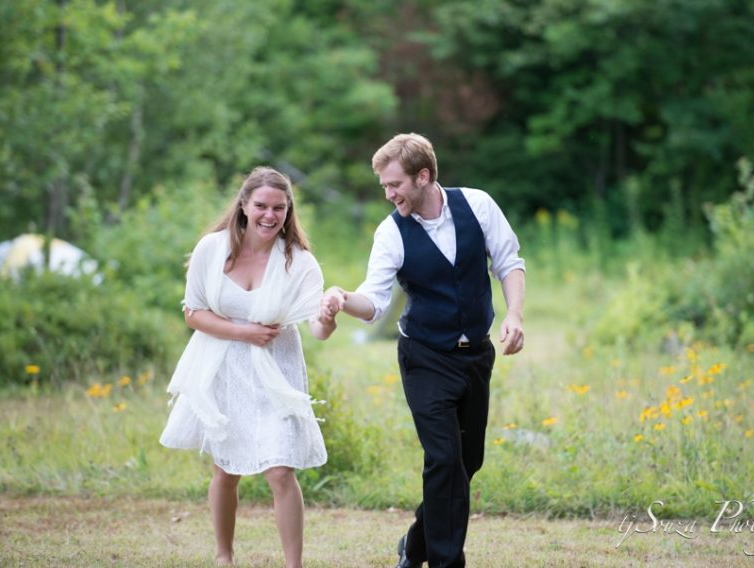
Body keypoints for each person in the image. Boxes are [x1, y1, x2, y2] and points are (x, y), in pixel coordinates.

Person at [321, 133, 525, 568]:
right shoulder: (390, 232)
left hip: (476, 355)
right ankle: (446, 562)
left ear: (424, 176)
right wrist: (341, 298)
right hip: (425, 358)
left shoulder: (478, 205)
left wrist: (515, 315)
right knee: (444, 458)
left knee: (467, 462)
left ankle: (414, 547)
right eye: (384, 186)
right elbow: (373, 303)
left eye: (394, 184)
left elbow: (509, 261)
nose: (389, 193)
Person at [160, 166, 336, 567]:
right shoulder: (212, 249)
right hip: (224, 369)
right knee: (226, 469)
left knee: (279, 470)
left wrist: (328, 316)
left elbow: (317, 329)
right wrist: (243, 333)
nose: (269, 216)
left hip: (278, 371)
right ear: (244, 205)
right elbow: (193, 313)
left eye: (279, 207)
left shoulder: (300, 262)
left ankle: (294, 564)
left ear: (289, 210)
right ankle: (224, 555)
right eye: (261, 206)